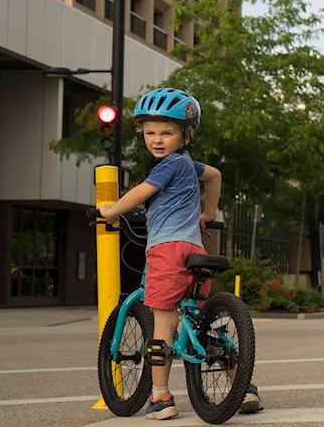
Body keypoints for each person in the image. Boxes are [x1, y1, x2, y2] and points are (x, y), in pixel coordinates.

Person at [98, 87, 223, 420]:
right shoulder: (189, 165)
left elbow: (141, 193)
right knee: (196, 324)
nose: (157, 139)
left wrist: (110, 212)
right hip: (195, 248)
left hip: (166, 250)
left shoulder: (166, 166)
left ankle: (160, 397)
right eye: (149, 132)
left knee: (162, 321)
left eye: (166, 132)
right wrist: (208, 213)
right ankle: (245, 386)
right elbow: (215, 175)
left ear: (185, 135)